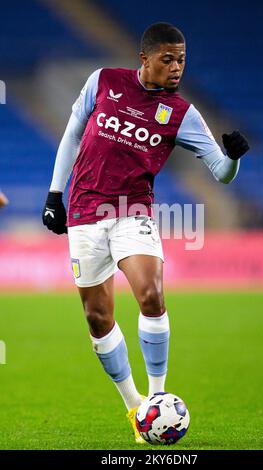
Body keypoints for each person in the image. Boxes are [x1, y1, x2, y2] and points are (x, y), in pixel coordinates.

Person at [42, 22, 249, 443]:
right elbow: (72, 134)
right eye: (168, 59)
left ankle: (159, 398)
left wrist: (234, 158)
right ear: (145, 58)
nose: (176, 68)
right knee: (97, 318)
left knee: (151, 295)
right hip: (83, 213)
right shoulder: (103, 81)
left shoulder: (181, 113)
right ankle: (136, 408)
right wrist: (53, 195)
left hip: (133, 211)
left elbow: (222, 174)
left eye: (182, 60)